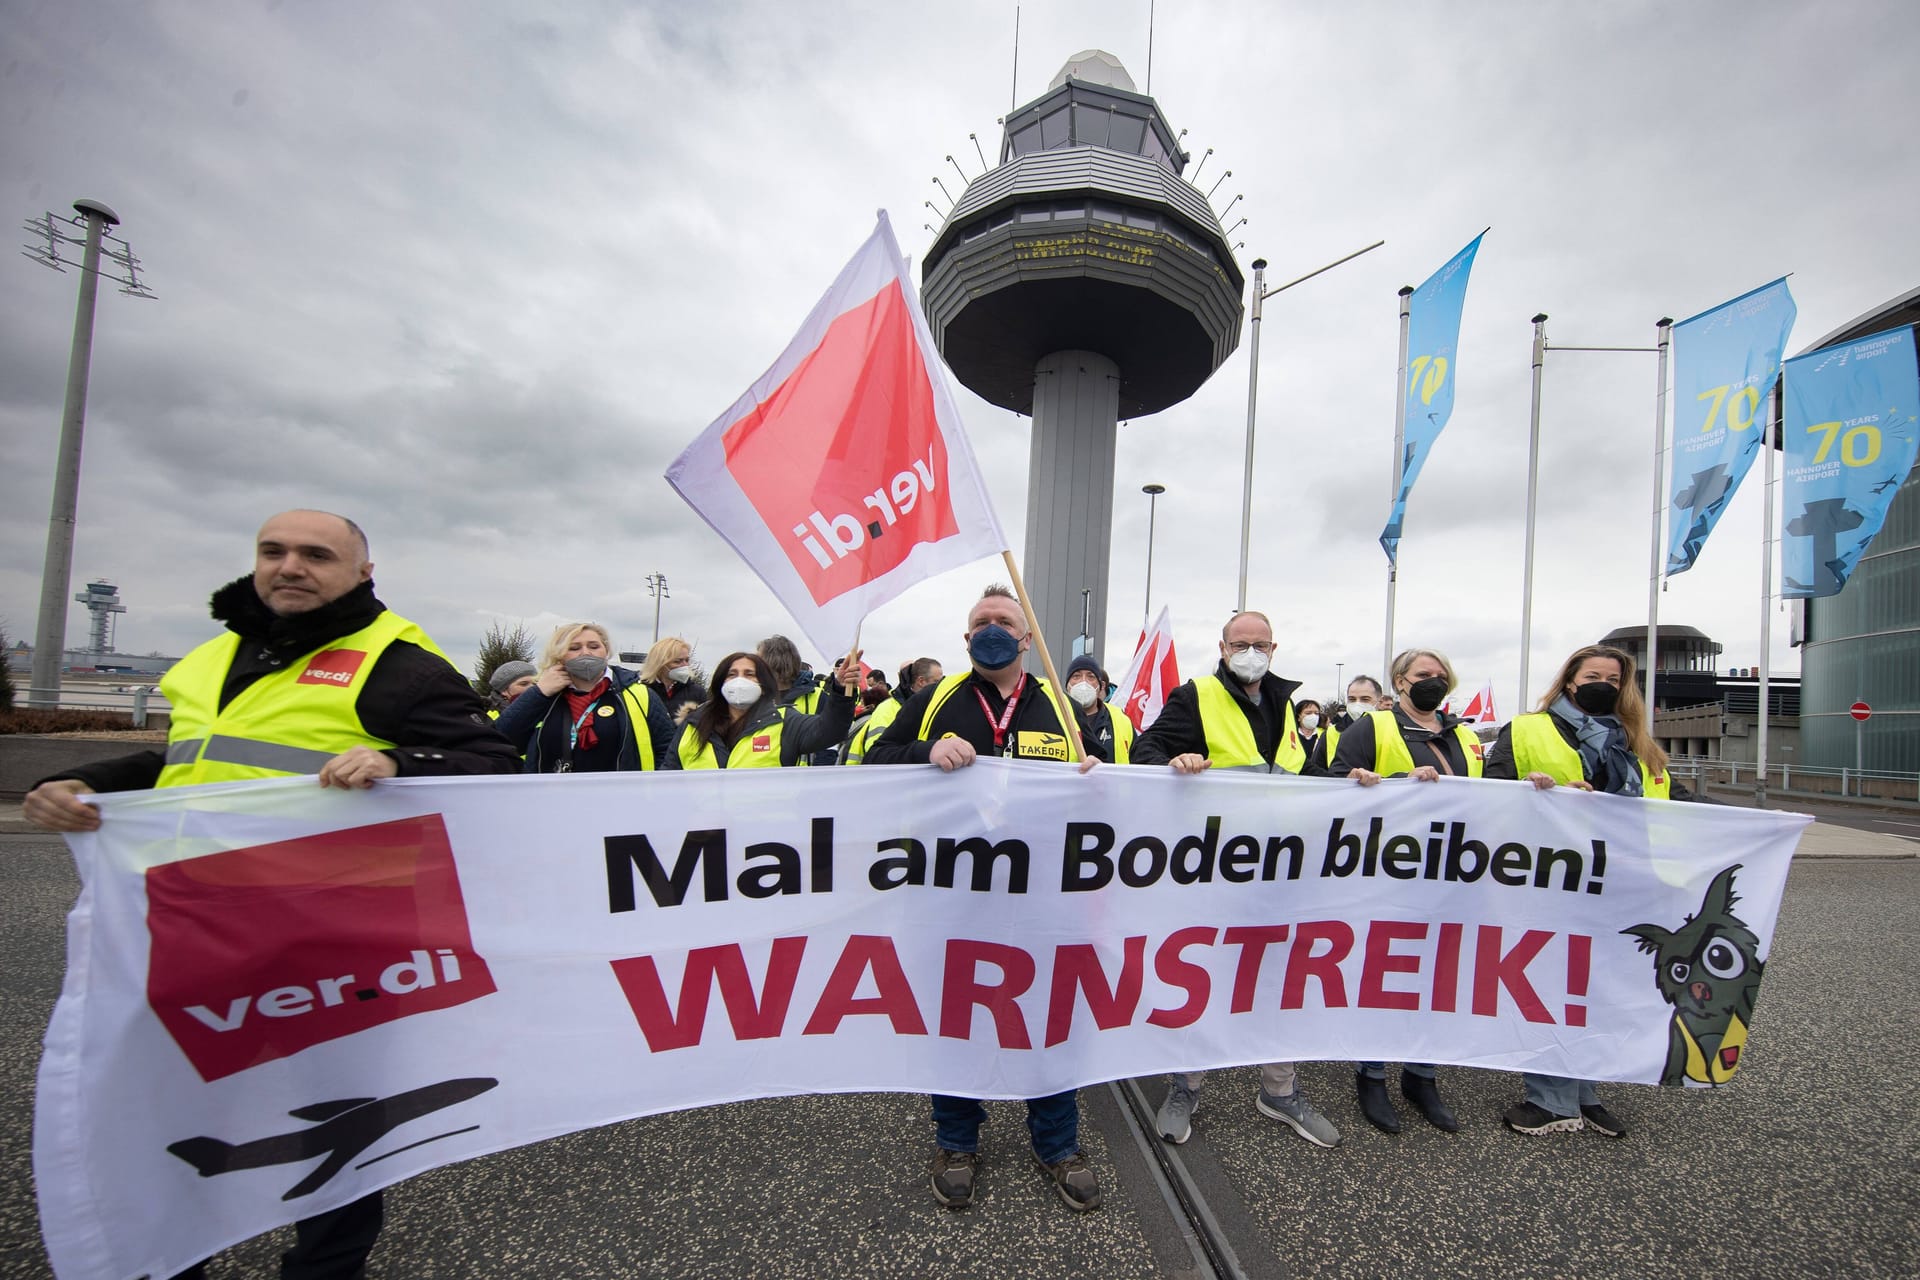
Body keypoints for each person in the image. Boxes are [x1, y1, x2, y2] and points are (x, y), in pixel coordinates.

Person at [22, 509, 520, 1280]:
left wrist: (398, 760)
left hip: (329, 944)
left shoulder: (399, 664)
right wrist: (88, 783)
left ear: (361, 573)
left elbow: (492, 763)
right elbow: (186, 759)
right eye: (273, 551)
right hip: (193, 926)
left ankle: (325, 1268)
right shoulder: (211, 658)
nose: (291, 566)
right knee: (173, 1108)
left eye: (316, 554)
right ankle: (171, 1253)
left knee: (338, 1122)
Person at [867, 585, 1101, 1212]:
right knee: (956, 1016)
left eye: (1004, 621)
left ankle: (1058, 1144)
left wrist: (1094, 774)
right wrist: (924, 751)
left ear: (1027, 638)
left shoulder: (1059, 701)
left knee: (1048, 1016)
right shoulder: (932, 697)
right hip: (953, 889)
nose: (991, 629)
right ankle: (956, 1140)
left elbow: (1111, 782)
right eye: (980, 622)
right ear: (964, 636)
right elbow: (871, 756)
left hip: (1043, 891)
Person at [1131, 610, 1340, 1150]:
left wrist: (1356, 784)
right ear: (1222, 648)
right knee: (1203, 977)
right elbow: (1144, 750)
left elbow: (1297, 774)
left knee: (1278, 980)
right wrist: (1175, 758)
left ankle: (1280, 1089)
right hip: (1215, 869)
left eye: (1260, 643)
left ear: (1274, 647)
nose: (1250, 651)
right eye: (1240, 643)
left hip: (1280, 870)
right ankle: (1185, 1085)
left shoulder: (1286, 703)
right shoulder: (1195, 695)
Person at [1485, 643, 1679, 1140]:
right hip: (1553, 877)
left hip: (1621, 879)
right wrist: (1535, 790)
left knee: (1597, 989)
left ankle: (1586, 1092)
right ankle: (1549, 1098)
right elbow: (1492, 792)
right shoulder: (1528, 728)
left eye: (1614, 680)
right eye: (1594, 675)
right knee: (1552, 985)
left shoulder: (1636, 740)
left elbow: (1671, 804)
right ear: (1570, 680)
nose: (1604, 685)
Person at [1333, 648, 1483, 1135]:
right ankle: (1372, 1077)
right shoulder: (1373, 727)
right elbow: (1331, 783)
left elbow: (1493, 792)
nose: (1433, 681)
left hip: (1451, 873)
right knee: (1384, 974)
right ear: (1400, 681)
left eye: (1441, 674)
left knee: (1437, 978)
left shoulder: (1464, 736)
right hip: (1388, 871)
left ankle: (1423, 1076)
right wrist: (1394, 783)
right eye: (1424, 675)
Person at [493, 623, 678, 772]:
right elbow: (500, 740)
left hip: (620, 803)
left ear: (606, 651)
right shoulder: (544, 696)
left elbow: (668, 750)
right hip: (551, 802)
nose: (586, 653)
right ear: (559, 656)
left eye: (594, 646)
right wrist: (538, 692)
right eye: (574, 648)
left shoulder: (637, 694)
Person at [674, 650, 857, 767]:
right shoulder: (694, 723)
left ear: (763, 682)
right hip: (705, 826)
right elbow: (669, 773)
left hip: (766, 825)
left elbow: (829, 731)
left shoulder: (783, 720)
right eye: (732, 674)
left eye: (749, 674)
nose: (740, 681)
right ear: (720, 682)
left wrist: (841, 689)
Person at [842, 657, 943, 765]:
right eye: (936, 682)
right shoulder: (887, 709)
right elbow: (877, 756)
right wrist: (923, 752)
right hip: (867, 776)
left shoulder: (932, 706)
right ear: (921, 681)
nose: (941, 686)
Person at [1064, 654, 1133, 763]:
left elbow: (1140, 759)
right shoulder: (1054, 716)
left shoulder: (1121, 720)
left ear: (1101, 686)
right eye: (1076, 676)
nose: (1083, 682)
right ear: (1067, 685)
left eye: (1090, 677)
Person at [1312, 675, 1385, 771]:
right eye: (1352, 699)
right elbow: (1316, 774)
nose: (1357, 704)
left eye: (1365, 699)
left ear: (1380, 701)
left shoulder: (1393, 730)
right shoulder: (1330, 734)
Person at [637, 635, 704, 723]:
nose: (685, 665)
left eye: (687, 660)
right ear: (660, 663)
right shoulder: (641, 690)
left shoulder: (697, 692)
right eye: (677, 661)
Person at [1296, 698, 1325, 764]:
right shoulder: (1290, 734)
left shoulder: (1325, 735)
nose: (1313, 716)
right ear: (1298, 717)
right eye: (1308, 713)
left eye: (1316, 713)